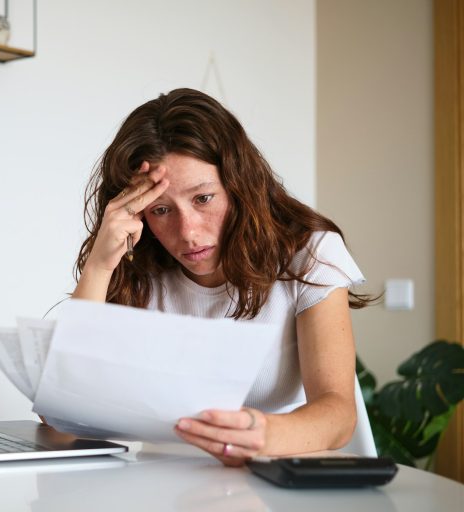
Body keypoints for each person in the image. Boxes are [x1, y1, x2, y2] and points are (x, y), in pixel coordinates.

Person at [72, 88, 373, 466]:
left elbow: (338, 416)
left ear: (238, 185)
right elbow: (67, 419)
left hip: (278, 476)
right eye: (161, 209)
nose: (188, 232)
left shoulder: (309, 254)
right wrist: (99, 267)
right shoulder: (138, 267)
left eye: (203, 199)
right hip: (163, 485)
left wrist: (257, 433)